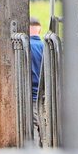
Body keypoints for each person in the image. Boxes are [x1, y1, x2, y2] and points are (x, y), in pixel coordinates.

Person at [29, 16, 44, 144]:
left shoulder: (23, 47)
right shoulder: (49, 47)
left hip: (31, 99)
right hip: (46, 100)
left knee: (32, 131)